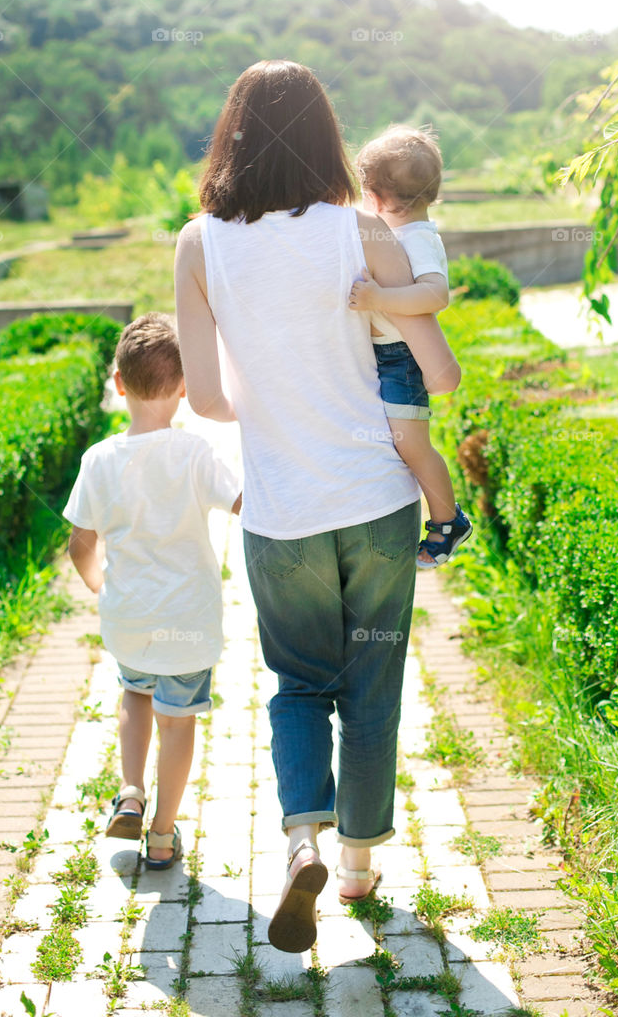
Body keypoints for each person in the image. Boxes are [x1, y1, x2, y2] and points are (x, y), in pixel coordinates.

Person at [175, 60, 461, 952]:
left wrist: (270, 392)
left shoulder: (200, 243)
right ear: (327, 138)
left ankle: (302, 835)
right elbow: (434, 363)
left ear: (233, 137)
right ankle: (360, 870)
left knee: (300, 685)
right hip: (377, 503)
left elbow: (210, 402)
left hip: (283, 512)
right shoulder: (361, 231)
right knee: (372, 685)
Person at [64, 313, 241, 869]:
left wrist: (99, 587)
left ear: (118, 382)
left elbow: (80, 544)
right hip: (187, 623)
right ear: (185, 388)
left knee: (134, 695)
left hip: (129, 619)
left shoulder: (98, 460)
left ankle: (131, 791)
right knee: (178, 719)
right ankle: (162, 834)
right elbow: (243, 503)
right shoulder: (193, 453)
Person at [349, 125, 473, 567]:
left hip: (402, 359)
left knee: (412, 445)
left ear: (378, 199)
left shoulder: (415, 238)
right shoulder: (400, 233)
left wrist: (379, 298)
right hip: (390, 354)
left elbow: (435, 294)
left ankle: (447, 522)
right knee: (403, 442)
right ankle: (444, 519)